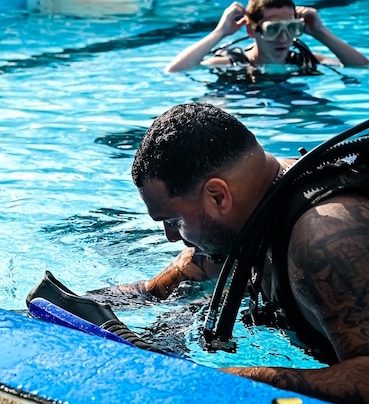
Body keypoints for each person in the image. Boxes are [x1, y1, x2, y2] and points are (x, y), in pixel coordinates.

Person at [106, 102, 369, 403]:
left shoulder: (326, 241)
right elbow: (157, 290)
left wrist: (232, 379)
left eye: (173, 221)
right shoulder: (254, 209)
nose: (170, 237)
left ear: (218, 196)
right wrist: (73, 303)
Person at [165, 0, 369, 73]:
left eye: (291, 28)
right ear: (251, 31)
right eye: (273, 30)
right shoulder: (232, 63)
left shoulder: (306, 60)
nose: (283, 37)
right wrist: (219, 32)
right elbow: (175, 71)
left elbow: (362, 68)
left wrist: (321, 32)